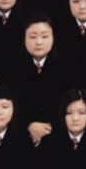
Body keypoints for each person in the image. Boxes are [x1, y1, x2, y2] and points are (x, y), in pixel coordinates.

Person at [4, 14, 70, 148]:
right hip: (21, 134)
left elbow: (69, 104)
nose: (39, 42)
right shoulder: (12, 69)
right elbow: (8, 103)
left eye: (45, 36)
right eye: (33, 37)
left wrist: (49, 128)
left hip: (58, 134)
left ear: (53, 38)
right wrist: (29, 124)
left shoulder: (66, 68)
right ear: (24, 38)